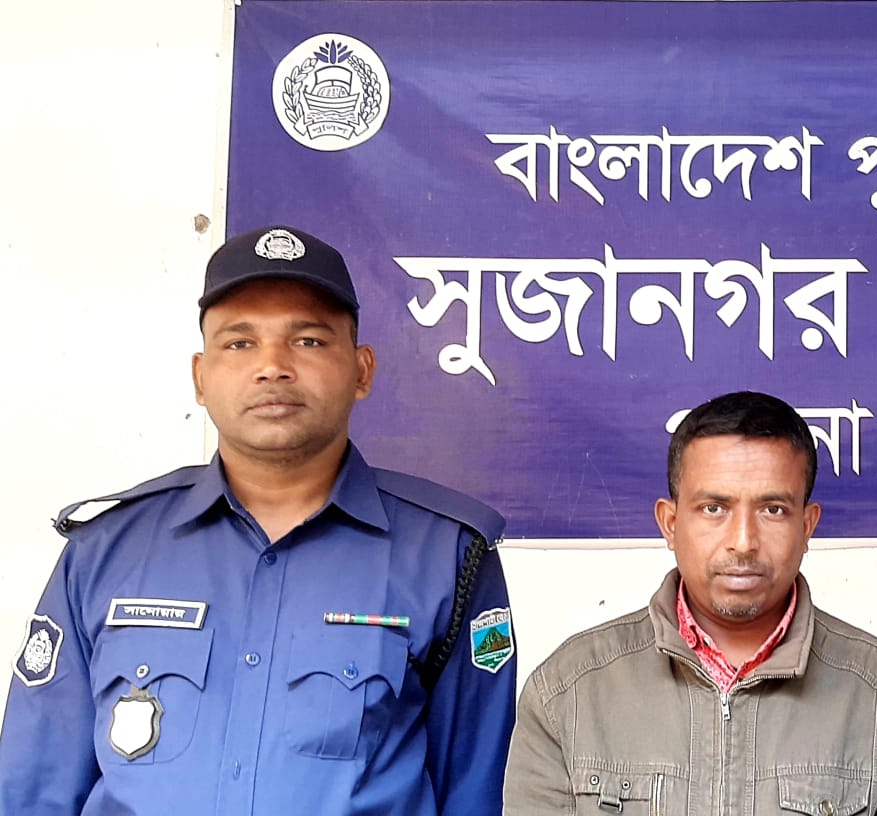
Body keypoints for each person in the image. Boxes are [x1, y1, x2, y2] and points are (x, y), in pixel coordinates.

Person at [0, 226, 517, 815]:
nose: (272, 366)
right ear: (200, 377)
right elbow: (34, 787)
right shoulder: (105, 550)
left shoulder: (448, 556)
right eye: (240, 343)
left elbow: (476, 790)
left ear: (362, 370)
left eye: (309, 340)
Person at [504, 390, 877, 814]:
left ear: (807, 526)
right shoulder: (567, 692)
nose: (743, 541)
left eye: (773, 509)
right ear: (670, 523)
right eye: (714, 508)